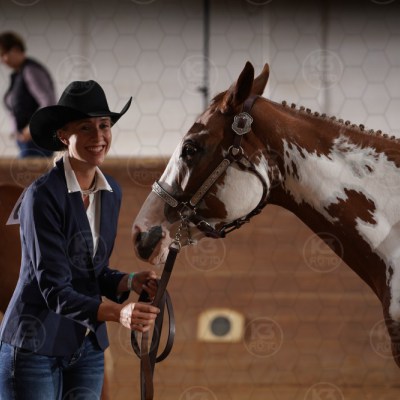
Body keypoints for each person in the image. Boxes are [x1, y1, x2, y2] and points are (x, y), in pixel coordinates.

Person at [0, 79, 160, 399]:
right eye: (85, 128)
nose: (98, 136)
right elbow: (54, 289)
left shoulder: (111, 192)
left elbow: (91, 272)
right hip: (34, 347)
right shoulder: (42, 197)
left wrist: (130, 281)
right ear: (64, 136)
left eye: (104, 125)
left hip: (86, 348)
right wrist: (119, 313)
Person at [0, 31, 56, 158]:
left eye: (3, 55)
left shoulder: (30, 71)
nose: (2, 60)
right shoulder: (18, 74)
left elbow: (48, 102)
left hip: (37, 139)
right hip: (26, 140)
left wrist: (31, 128)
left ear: (15, 49)